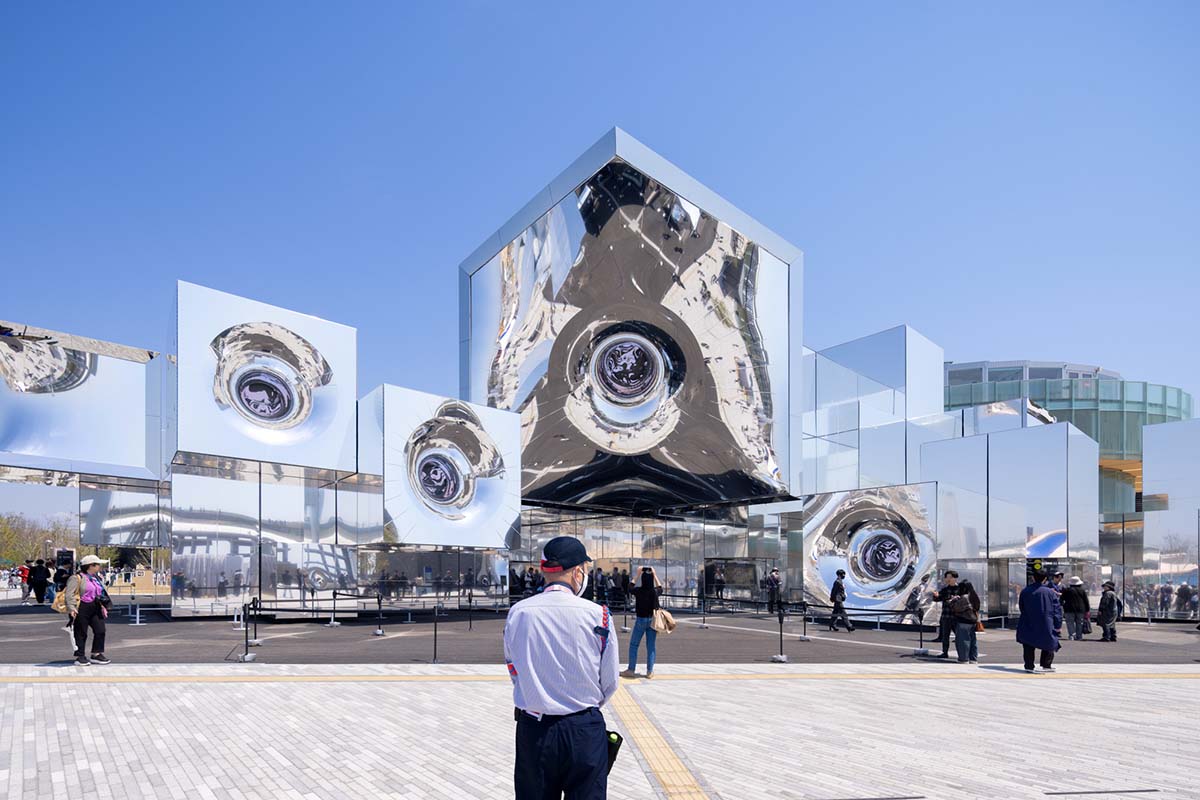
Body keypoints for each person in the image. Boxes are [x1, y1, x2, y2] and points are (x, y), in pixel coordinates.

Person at [504, 536, 619, 800]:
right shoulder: (598, 615)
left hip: (534, 728)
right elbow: (610, 680)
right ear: (578, 571)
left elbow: (514, 669)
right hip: (583, 727)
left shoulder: (518, 612)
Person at [65, 555, 112, 666]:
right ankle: (80, 656)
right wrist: (71, 608)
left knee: (100, 630)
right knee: (81, 632)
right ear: (90, 566)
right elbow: (69, 594)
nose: (99, 567)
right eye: (97, 564)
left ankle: (96, 653)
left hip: (96, 606)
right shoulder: (77, 578)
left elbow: (100, 592)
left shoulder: (96, 577)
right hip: (82, 607)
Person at [1016, 570, 1062, 673]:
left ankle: (1029, 665)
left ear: (1033, 578)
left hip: (1028, 621)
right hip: (1046, 621)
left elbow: (1021, 607)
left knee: (1028, 643)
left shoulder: (1025, 591)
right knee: (1049, 641)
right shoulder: (1050, 592)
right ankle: (1046, 664)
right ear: (1045, 579)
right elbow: (1057, 610)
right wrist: (1058, 624)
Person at [622, 566, 663, 679]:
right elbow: (660, 588)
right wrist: (654, 575)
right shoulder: (654, 592)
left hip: (640, 620)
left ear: (643, 580)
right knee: (651, 646)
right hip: (652, 621)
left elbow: (629, 587)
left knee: (634, 645)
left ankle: (631, 669)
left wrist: (638, 574)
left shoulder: (638, 591)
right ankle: (649, 671)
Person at [931, 570, 964, 658]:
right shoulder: (945, 589)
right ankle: (944, 652)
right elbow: (937, 599)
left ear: (955, 578)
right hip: (946, 615)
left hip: (958, 616)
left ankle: (962, 654)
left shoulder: (961, 589)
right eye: (946, 577)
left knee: (960, 636)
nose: (948, 579)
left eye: (950, 577)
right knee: (945, 636)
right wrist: (935, 596)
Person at [949, 580, 981, 663]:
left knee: (963, 641)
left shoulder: (964, 597)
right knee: (972, 641)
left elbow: (956, 608)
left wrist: (953, 601)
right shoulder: (973, 596)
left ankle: (963, 659)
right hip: (972, 621)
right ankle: (973, 658)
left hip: (964, 621)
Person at [1061, 576, 1091, 641]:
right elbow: (1086, 601)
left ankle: (1072, 636)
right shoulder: (1082, 590)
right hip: (1080, 609)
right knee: (1079, 623)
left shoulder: (1067, 590)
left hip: (1069, 609)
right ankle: (1079, 636)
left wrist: (1063, 605)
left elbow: (1061, 599)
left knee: (1070, 623)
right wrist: (1087, 610)